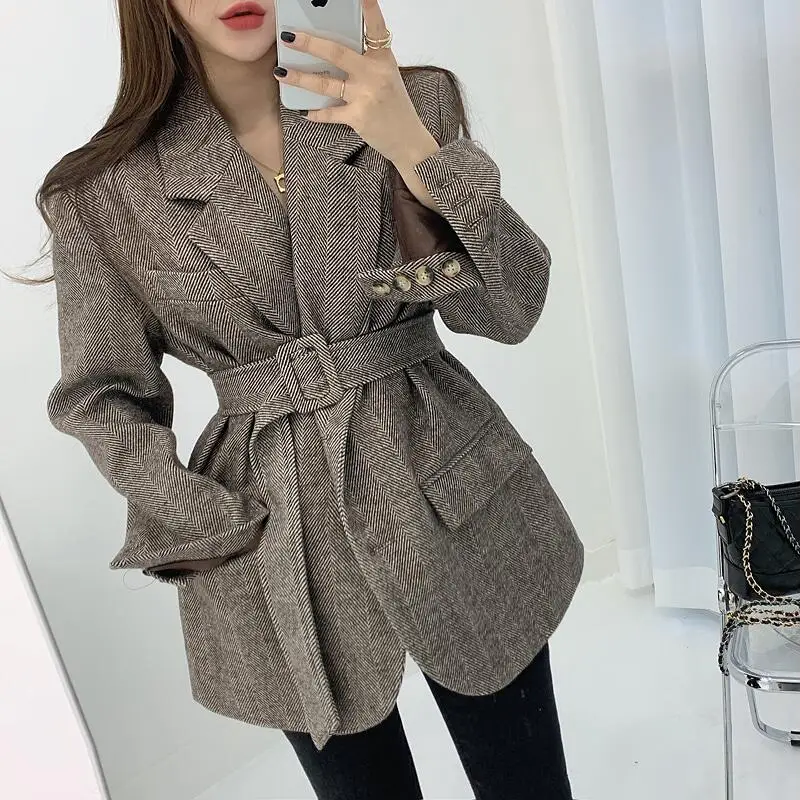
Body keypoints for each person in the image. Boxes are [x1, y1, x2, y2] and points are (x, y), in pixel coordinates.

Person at [35, 0, 584, 797]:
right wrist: (198, 513)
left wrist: (411, 145)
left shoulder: (412, 100)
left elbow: (511, 310)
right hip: (272, 532)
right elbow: (101, 394)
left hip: (446, 484)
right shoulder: (102, 193)